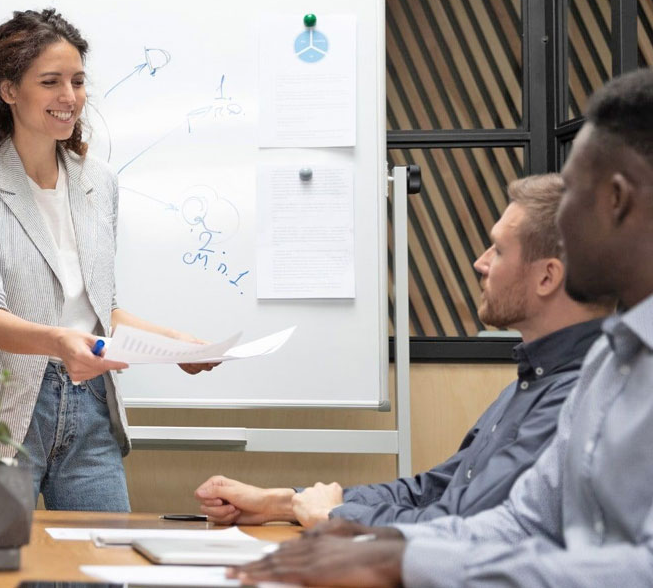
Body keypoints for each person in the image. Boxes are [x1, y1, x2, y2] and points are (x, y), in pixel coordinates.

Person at [232, 68, 653, 587]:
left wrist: (381, 549)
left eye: (572, 198)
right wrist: (367, 543)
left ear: (616, 200)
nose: (563, 224)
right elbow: (522, 520)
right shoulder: (612, 362)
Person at [195, 174, 611, 528]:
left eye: (498, 250)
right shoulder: (533, 382)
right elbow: (434, 490)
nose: (480, 263)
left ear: (547, 278)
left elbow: (456, 523)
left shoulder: (577, 397)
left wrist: (334, 516)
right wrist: (286, 502)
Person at [0, 8, 214, 512]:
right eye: (51, 82)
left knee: (102, 569)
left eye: (77, 81)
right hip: (0, 406)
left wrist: (175, 344)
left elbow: (102, 308)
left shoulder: (99, 182)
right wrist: (60, 341)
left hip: (90, 405)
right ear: (9, 90)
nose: (70, 97)